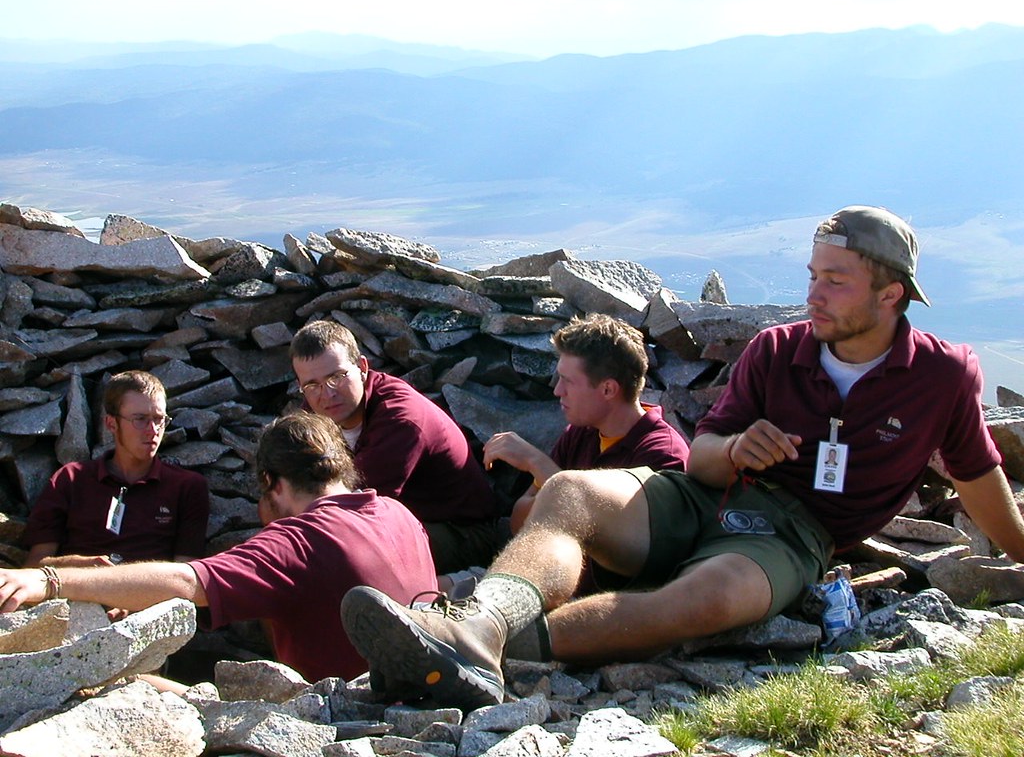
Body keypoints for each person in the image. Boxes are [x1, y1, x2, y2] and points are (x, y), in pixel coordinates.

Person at [339, 204, 1024, 711]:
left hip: (794, 534)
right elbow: (699, 462)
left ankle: (480, 651)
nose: (813, 293)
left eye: (836, 281)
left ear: (891, 293)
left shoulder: (941, 376)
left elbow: (976, 473)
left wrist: (1022, 555)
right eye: (814, 275)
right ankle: (478, 627)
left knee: (710, 598)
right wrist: (734, 448)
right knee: (572, 493)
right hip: (706, 495)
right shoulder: (776, 350)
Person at [0, 411, 437, 684]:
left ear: (272, 483)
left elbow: (185, 580)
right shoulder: (398, 513)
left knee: (120, 682)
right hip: (428, 692)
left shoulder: (297, 542)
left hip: (346, 717)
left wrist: (49, 580)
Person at [289, 319, 499, 573]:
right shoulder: (317, 412)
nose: (328, 393)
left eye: (337, 376)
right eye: (312, 385)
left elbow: (354, 510)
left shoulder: (400, 418)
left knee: (343, 559)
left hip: (462, 533)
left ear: (362, 367)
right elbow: (288, 484)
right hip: (401, 523)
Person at [483, 313, 689, 534]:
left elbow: (621, 546)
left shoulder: (662, 456)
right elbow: (519, 525)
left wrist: (538, 464)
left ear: (608, 389)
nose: (557, 390)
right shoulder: (582, 432)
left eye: (568, 381)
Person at [22, 370, 210, 568]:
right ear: (112, 423)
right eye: (140, 419)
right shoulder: (71, 479)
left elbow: (186, 573)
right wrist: (80, 565)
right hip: (76, 592)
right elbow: (35, 565)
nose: (153, 430)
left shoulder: (187, 487)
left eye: (159, 419)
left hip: (152, 595)